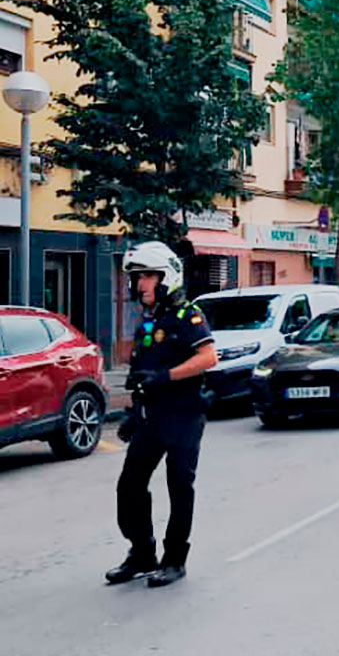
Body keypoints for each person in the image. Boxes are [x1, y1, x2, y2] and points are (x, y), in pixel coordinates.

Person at [106, 242, 217, 588]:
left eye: (146, 276)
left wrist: (166, 377)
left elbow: (208, 358)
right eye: (137, 277)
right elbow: (140, 374)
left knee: (179, 486)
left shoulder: (188, 316)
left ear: (165, 277)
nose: (140, 284)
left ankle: (174, 560)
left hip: (183, 415)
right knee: (130, 486)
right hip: (150, 417)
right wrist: (131, 413)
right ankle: (142, 553)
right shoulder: (147, 321)